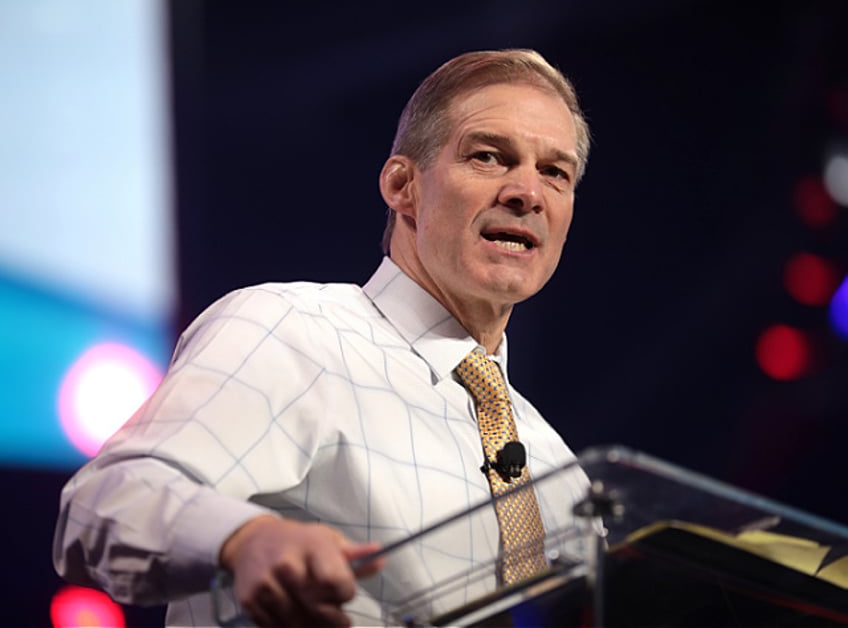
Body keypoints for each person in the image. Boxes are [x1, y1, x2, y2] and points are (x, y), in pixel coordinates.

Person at [53, 48, 592, 627]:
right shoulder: (291, 331)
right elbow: (108, 501)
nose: (527, 193)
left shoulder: (563, 472)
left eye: (554, 172)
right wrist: (245, 540)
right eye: (489, 156)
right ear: (402, 185)